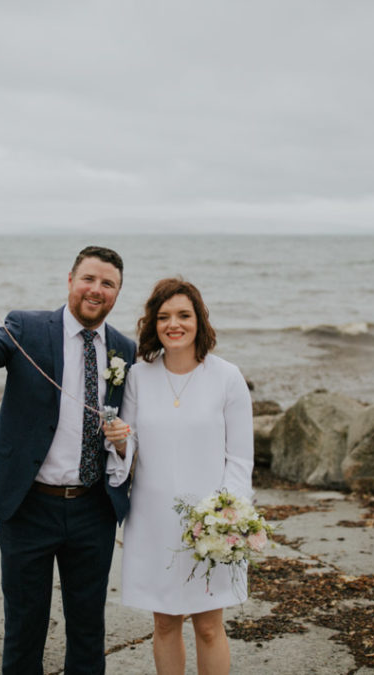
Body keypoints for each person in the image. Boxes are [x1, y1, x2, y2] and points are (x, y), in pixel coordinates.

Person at [0, 246, 137, 675]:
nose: (97, 289)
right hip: (29, 505)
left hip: (94, 508)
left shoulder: (124, 349)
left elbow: (133, 421)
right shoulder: (26, 327)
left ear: (118, 293)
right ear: (70, 280)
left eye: (108, 284)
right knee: (24, 625)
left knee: (89, 628)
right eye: (89, 279)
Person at [104, 277, 254, 675]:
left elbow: (240, 459)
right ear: (153, 323)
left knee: (208, 626)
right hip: (153, 518)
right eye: (164, 316)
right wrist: (119, 442)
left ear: (198, 320)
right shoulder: (138, 375)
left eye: (184, 315)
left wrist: (227, 517)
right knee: (164, 621)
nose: (175, 324)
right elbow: (128, 449)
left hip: (212, 519)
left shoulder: (227, 377)